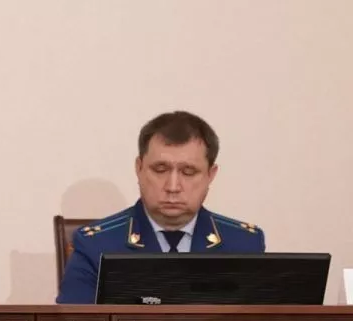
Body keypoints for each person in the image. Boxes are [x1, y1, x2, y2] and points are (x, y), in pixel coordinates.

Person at [56, 111, 266, 304]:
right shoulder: (96, 245)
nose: (173, 187)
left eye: (188, 172)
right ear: (139, 168)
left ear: (211, 175)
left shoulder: (243, 244)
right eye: (160, 169)